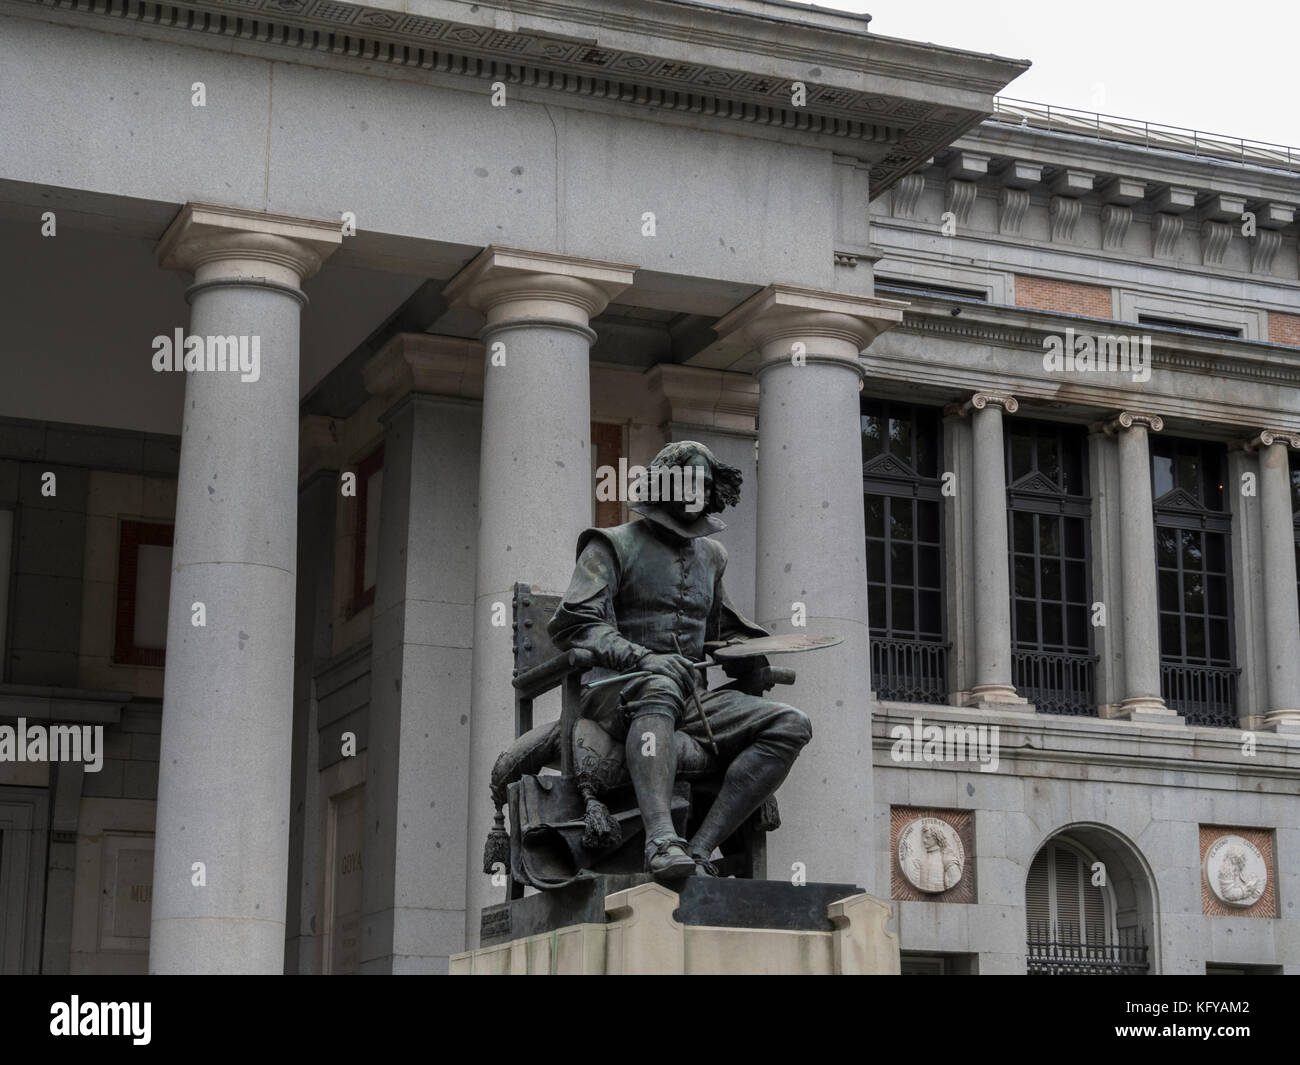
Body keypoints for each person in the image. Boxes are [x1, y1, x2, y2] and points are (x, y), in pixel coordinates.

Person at [548, 440, 812, 879]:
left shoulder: (713, 556)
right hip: (613, 692)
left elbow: (719, 631)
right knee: (660, 684)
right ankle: (660, 841)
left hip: (690, 699)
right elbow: (574, 624)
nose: (696, 491)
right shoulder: (611, 544)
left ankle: (701, 849)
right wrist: (643, 657)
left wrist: (752, 658)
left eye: (704, 484)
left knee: (791, 724)